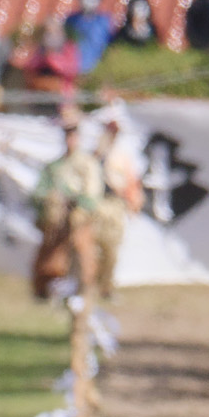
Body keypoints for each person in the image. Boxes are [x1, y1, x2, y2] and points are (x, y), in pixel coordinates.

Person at [31, 109, 104, 298]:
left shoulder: (88, 163)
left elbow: (92, 196)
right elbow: (38, 192)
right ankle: (46, 286)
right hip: (56, 222)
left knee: (81, 246)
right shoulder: (53, 166)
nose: (69, 138)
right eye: (66, 134)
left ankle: (86, 284)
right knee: (49, 248)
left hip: (79, 219)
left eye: (73, 134)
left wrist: (75, 199)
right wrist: (51, 198)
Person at [92, 116, 143, 296]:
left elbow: (130, 182)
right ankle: (91, 285)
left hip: (115, 204)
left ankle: (106, 287)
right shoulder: (96, 154)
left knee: (112, 250)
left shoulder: (122, 156)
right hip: (98, 203)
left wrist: (133, 202)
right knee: (93, 248)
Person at [65, 0, 114, 75]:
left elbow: (109, 47)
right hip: (73, 71)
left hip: (96, 73)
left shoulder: (104, 22)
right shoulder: (70, 20)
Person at [25, 17, 81, 97]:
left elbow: (71, 69)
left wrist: (52, 59)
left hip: (62, 95)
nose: (50, 35)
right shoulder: (40, 49)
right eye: (48, 32)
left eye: (54, 31)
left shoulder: (69, 48)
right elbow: (31, 66)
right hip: (40, 95)